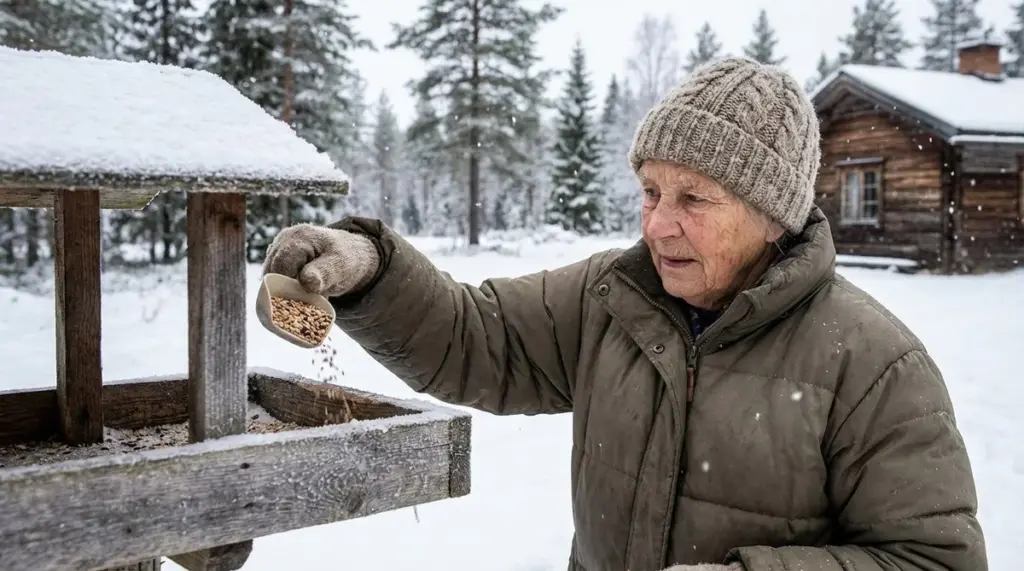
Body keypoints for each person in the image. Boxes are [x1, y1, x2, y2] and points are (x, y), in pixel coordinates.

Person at [262, 57, 987, 571]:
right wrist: (370, 270)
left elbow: (933, 559)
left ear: (774, 218)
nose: (657, 225)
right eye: (650, 191)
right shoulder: (611, 297)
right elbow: (472, 337)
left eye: (693, 198)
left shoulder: (873, 365)